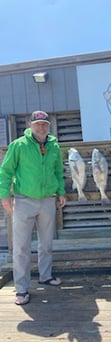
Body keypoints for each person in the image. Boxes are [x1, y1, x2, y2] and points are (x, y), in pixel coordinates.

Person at [0, 110, 67, 305]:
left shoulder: (54, 146)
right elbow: (5, 171)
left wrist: (61, 192)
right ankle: (21, 289)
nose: (41, 127)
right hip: (23, 200)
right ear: (30, 126)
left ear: (49, 126)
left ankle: (45, 275)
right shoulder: (18, 145)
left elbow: (58, 171)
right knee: (21, 246)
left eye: (44, 124)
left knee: (46, 242)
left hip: (48, 200)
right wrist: (4, 195)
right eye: (37, 124)